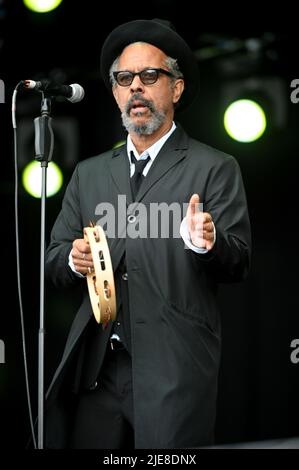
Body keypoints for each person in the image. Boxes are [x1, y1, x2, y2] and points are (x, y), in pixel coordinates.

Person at [44, 18, 251, 449]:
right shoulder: (89, 173)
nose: (136, 86)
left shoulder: (214, 167)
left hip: (173, 369)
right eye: (125, 78)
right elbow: (53, 259)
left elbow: (239, 260)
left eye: (150, 76)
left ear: (175, 88)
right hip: (97, 372)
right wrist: (71, 258)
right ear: (116, 93)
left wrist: (206, 244)